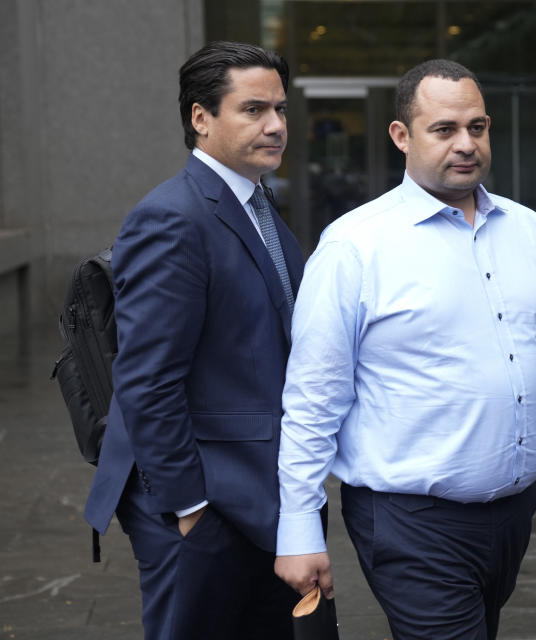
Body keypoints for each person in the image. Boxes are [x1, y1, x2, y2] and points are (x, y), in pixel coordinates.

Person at [274, 58, 536, 639]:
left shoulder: (531, 232)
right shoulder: (355, 246)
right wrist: (298, 528)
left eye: (477, 127)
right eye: (444, 130)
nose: (466, 144)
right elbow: (314, 397)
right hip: (410, 522)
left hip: (513, 514)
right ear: (401, 136)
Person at [83, 41, 307, 640]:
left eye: (281, 110)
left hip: (253, 489)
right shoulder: (173, 218)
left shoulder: (258, 206)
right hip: (195, 497)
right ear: (200, 118)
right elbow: (148, 380)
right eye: (254, 109)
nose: (276, 125)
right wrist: (190, 510)